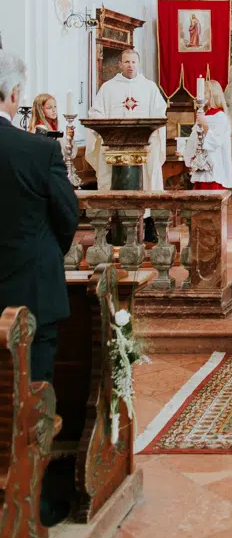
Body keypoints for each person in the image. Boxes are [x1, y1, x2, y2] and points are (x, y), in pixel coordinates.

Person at [0, 55, 79, 527]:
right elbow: (67, 216)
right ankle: (38, 500)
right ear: (13, 97)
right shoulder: (36, 151)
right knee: (34, 395)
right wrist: (45, 253)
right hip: (30, 292)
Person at [85, 49, 167, 191]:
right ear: (120, 64)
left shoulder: (149, 87)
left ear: (139, 64)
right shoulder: (108, 87)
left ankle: (145, 210)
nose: (130, 65)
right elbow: (96, 112)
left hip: (144, 143)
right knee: (110, 177)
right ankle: (113, 209)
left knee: (147, 177)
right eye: (127, 62)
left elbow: (159, 113)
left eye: (134, 62)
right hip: (113, 143)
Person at [183, 79, 232, 190]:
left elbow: (216, 142)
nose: (200, 96)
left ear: (213, 95)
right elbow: (194, 140)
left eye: (204, 93)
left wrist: (205, 125)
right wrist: (191, 157)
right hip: (200, 167)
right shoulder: (204, 115)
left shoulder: (220, 116)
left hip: (213, 167)